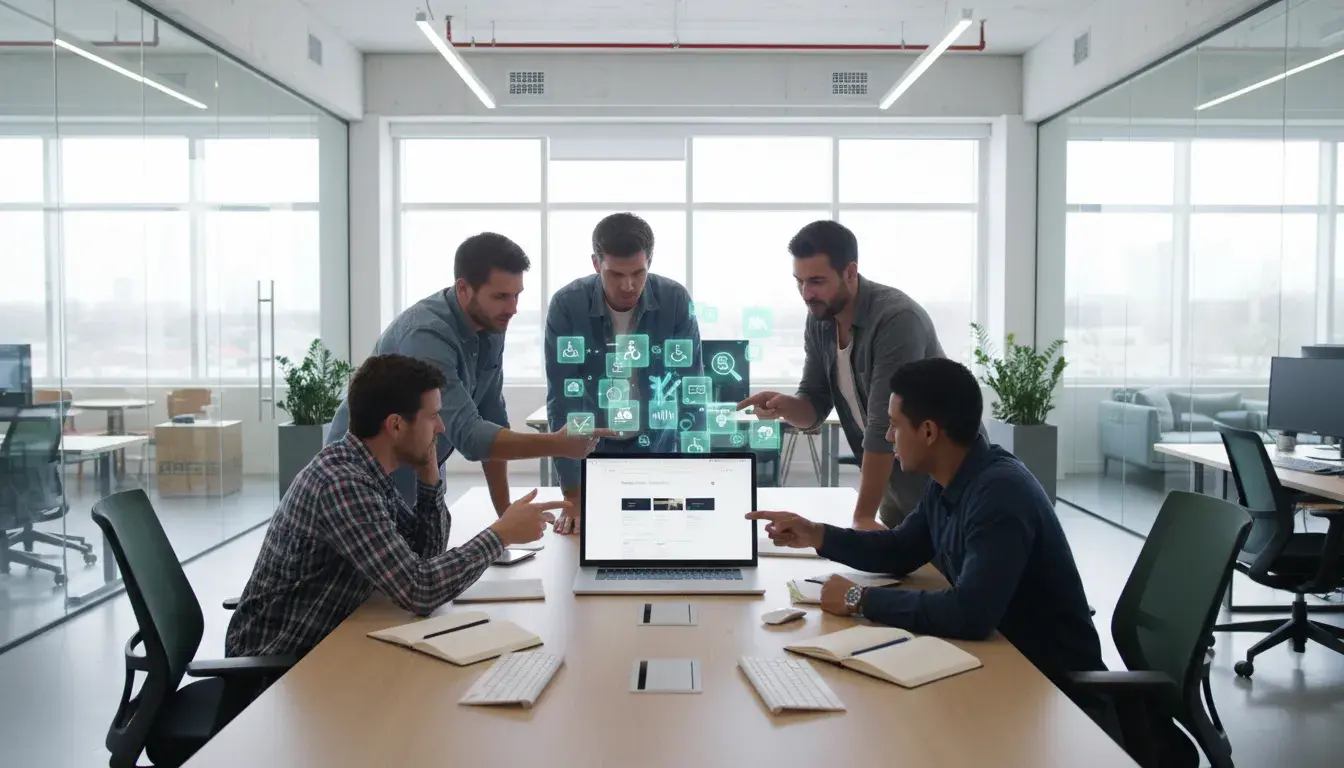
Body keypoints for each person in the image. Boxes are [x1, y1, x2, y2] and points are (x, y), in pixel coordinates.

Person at [746, 358, 1104, 685]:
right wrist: (816, 534)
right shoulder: (954, 477)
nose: (888, 438)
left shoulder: (1000, 495)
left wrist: (859, 598)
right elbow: (902, 549)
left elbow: (970, 614)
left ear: (929, 432)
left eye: (895, 426)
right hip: (1002, 658)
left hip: (1049, 684)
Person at [226, 354, 569, 658]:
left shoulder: (364, 469)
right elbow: (420, 590)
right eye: (433, 416)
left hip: (330, 641)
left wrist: (429, 476)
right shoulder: (343, 485)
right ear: (395, 425)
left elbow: (425, 556)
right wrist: (500, 535)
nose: (441, 427)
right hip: (277, 665)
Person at [327, 232, 613, 513]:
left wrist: (505, 514)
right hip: (361, 480)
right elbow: (471, 437)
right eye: (501, 296)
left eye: (517, 295)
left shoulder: (490, 324)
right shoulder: (426, 336)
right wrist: (558, 444)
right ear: (463, 289)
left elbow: (491, 418)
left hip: (421, 474)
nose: (513, 308)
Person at [738, 219, 949, 530]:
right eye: (800, 281)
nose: (806, 294)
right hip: (896, 494)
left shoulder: (896, 319)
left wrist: (861, 517)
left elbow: (881, 426)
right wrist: (785, 406)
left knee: (946, 576)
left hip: (944, 490)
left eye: (817, 281)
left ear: (850, 272)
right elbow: (814, 406)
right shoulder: (820, 319)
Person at [545, 213, 702, 534]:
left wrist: (694, 477)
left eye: (638, 273)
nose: (628, 285)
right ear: (595, 264)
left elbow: (691, 391)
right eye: (615, 274)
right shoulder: (566, 305)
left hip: (658, 450)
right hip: (592, 453)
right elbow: (563, 399)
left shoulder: (675, 301)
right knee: (590, 545)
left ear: (650, 262)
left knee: (664, 540)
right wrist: (573, 494)